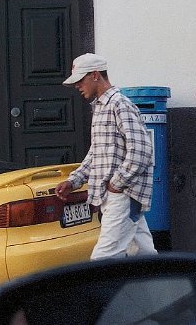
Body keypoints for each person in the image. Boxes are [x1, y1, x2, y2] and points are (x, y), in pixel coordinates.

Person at [55, 53, 156, 259]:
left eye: (80, 80)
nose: (77, 86)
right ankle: (169, 288)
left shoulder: (119, 104)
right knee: (144, 256)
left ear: (94, 75)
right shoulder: (101, 107)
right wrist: (74, 181)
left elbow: (142, 150)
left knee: (103, 260)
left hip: (122, 195)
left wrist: (117, 183)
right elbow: (97, 153)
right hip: (119, 195)